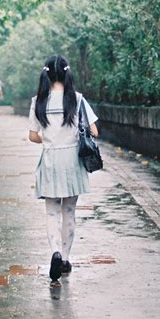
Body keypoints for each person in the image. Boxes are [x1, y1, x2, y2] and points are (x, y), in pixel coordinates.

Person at [28, 55, 98, 283]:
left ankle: (55, 252)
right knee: (69, 212)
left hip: (50, 160)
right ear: (67, 74)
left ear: (46, 74)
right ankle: (65, 259)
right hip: (72, 162)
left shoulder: (38, 101)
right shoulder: (77, 100)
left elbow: (32, 136)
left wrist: (49, 138)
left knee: (51, 212)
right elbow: (94, 132)